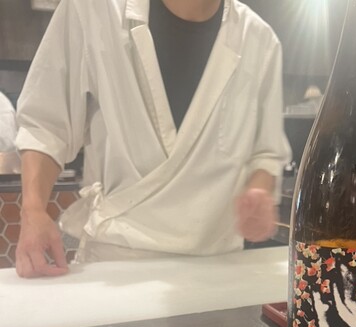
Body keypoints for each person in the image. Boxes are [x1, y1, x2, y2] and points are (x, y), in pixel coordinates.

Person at [14, 0, 291, 278]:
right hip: (117, 261)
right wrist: (33, 210)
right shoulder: (94, 8)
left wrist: (260, 190)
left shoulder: (261, 40)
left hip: (217, 266)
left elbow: (266, 153)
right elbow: (46, 124)